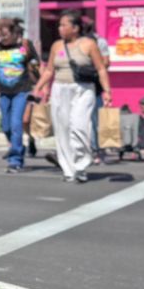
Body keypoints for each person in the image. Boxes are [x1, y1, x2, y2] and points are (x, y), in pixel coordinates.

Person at [33, 10, 112, 184]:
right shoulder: (57, 46)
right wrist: (39, 87)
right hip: (60, 89)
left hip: (83, 89)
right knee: (62, 130)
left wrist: (107, 91)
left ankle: (81, 166)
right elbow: (49, 70)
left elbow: (101, 69)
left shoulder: (89, 44)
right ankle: (69, 169)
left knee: (79, 126)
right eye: (59, 25)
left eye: (63, 25)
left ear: (75, 28)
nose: (60, 28)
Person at [0, 17, 40, 173]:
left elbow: (37, 65)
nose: (1, 38)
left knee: (16, 124)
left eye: (4, 34)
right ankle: (19, 147)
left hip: (21, 90)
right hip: (4, 92)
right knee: (5, 126)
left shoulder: (24, 46)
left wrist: (41, 86)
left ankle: (15, 160)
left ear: (13, 33)